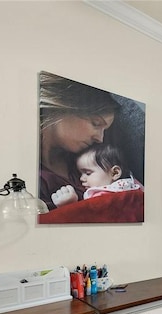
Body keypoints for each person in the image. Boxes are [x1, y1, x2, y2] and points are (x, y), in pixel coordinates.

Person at [39, 71, 122, 210]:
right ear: (63, 107)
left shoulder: (89, 159)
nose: (100, 139)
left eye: (104, 131)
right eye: (96, 123)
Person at [51, 143, 142, 208]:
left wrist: (70, 205)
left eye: (88, 173)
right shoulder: (95, 195)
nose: (81, 178)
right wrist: (71, 204)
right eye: (80, 174)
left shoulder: (133, 185)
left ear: (115, 173)